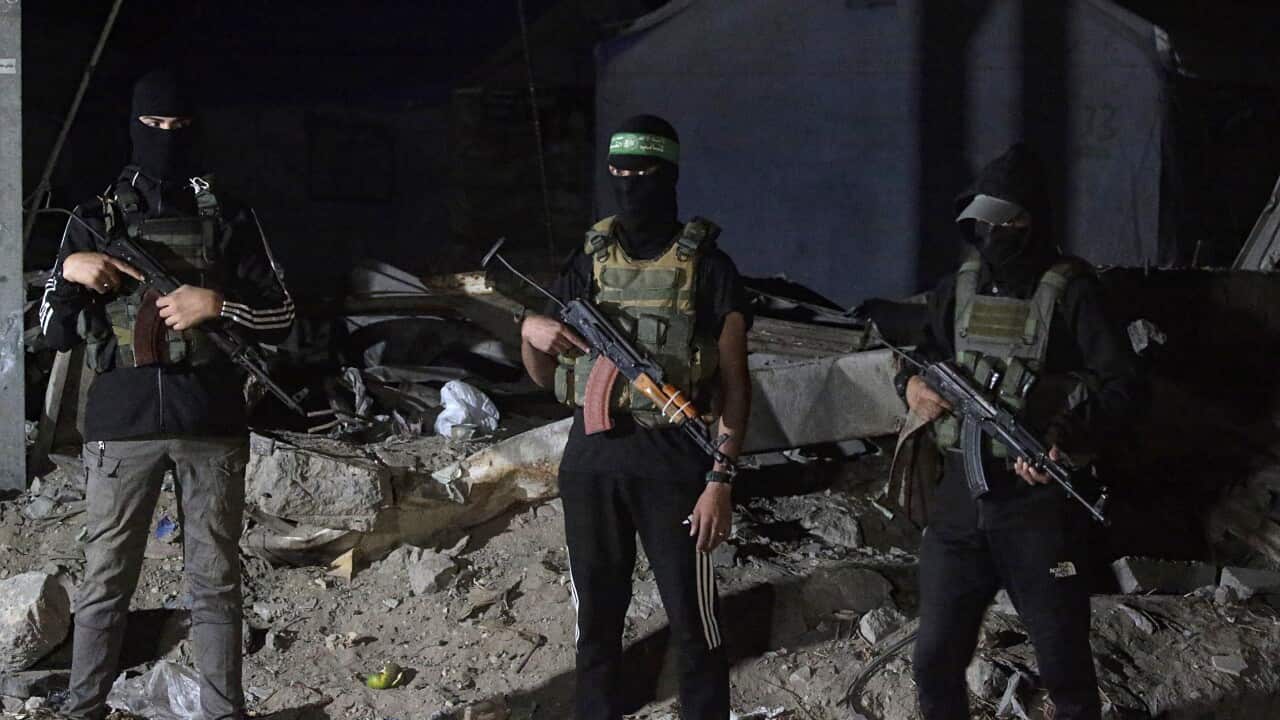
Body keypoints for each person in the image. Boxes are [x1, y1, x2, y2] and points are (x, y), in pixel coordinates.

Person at [39, 69, 295, 720]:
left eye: (179, 128)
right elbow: (51, 331)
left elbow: (287, 315)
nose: (166, 139)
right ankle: (83, 709)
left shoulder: (228, 212)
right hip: (121, 427)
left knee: (214, 585)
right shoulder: (94, 218)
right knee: (106, 586)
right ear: (132, 126)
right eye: (153, 127)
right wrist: (68, 271)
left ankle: (223, 711)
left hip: (211, 420)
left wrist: (219, 303)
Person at [895, 144, 1146, 720]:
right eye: (988, 221)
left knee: (1063, 666)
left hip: (1037, 508)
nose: (999, 233)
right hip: (958, 501)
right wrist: (910, 386)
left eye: (1012, 221)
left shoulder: (1073, 290)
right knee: (933, 659)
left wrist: (1067, 439)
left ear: (1036, 221)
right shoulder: (956, 288)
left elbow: (1124, 386)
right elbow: (920, 357)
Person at [519, 114, 752, 720]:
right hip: (591, 458)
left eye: (641, 172)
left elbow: (734, 383)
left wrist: (720, 479)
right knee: (595, 624)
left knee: (695, 624)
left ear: (669, 174)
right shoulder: (588, 259)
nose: (627, 183)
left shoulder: (710, 267)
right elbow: (547, 379)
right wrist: (530, 331)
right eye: (617, 171)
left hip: (674, 460)